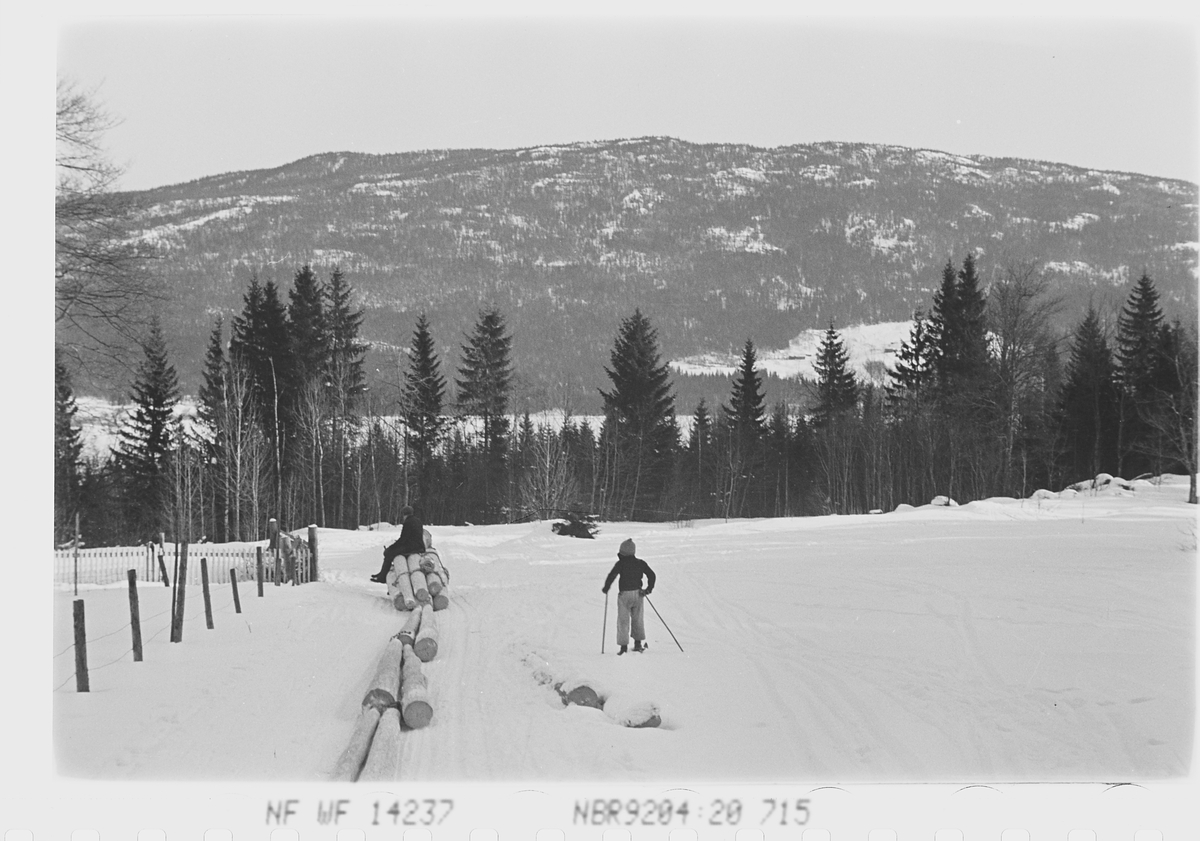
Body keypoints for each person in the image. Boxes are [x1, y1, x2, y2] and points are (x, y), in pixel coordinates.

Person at [601, 538, 656, 655]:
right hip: (638, 594)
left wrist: (606, 588)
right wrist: (648, 589)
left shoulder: (620, 563)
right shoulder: (640, 563)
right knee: (638, 619)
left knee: (623, 621)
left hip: (624, 595)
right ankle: (637, 644)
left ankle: (623, 648)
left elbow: (612, 575)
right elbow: (652, 575)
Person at [371, 505, 426, 583]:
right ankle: (382, 574)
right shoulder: (418, 521)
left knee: (388, 553)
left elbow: (403, 539)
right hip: (419, 546)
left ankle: (382, 577)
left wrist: (392, 547)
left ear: (404, 514)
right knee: (390, 552)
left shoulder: (407, 522)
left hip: (411, 548)